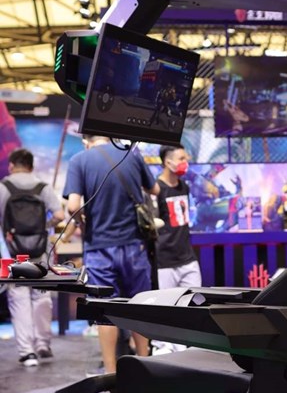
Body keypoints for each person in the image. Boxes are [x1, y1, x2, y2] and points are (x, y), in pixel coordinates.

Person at [63, 135, 158, 373]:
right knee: (139, 305)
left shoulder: (79, 160)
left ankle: (110, 372)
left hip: (99, 247)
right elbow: (154, 188)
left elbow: (73, 206)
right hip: (133, 244)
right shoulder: (131, 155)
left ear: (86, 140)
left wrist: (81, 221)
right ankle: (145, 366)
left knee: (104, 309)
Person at [0, 148, 64, 366]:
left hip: (12, 253)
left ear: (11, 166)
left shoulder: (3, 188)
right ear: (31, 166)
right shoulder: (43, 187)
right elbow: (59, 215)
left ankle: (27, 352)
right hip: (40, 250)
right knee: (42, 296)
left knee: (18, 298)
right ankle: (43, 343)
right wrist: (44, 227)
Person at [156, 145, 201, 290]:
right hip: (164, 263)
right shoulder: (156, 189)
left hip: (188, 259)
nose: (185, 162)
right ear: (168, 162)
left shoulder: (184, 186)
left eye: (185, 158)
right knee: (166, 303)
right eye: (181, 159)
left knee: (195, 299)